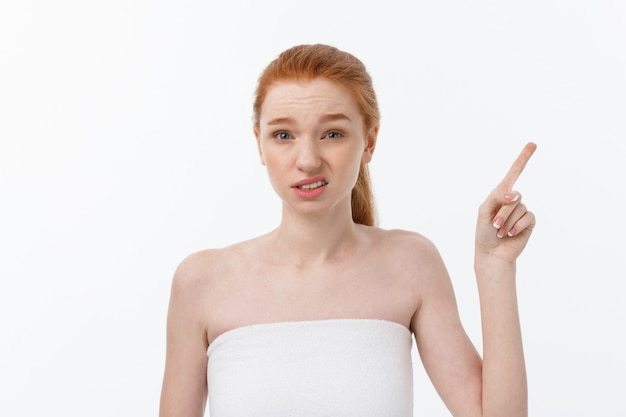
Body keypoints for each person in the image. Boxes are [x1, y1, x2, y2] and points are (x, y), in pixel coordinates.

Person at [159, 43, 536, 417]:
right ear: (259, 143)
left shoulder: (410, 264)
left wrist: (495, 268)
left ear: (369, 141)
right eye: (283, 135)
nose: (307, 160)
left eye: (333, 134)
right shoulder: (202, 282)